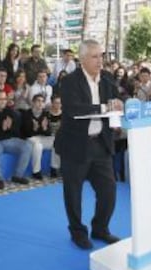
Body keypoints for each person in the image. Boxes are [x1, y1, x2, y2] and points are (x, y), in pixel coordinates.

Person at [55, 39, 122, 250]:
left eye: (101, 55)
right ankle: (77, 232)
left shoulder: (108, 80)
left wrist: (120, 103)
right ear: (82, 59)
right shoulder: (69, 81)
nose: (99, 60)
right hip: (75, 146)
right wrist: (104, 107)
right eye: (94, 56)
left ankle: (100, 228)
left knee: (108, 190)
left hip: (101, 145)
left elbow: (118, 100)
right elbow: (75, 109)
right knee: (73, 193)